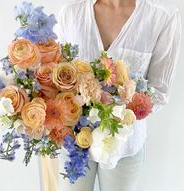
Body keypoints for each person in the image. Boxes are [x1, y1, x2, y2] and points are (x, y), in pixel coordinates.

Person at [40, 0, 182, 190]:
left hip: (125, 145)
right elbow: (57, 77)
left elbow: (159, 92)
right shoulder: (71, 12)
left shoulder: (162, 16)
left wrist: (113, 112)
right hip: (72, 144)